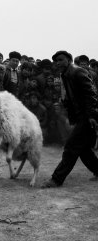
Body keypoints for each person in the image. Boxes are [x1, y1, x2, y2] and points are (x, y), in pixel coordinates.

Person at [42, 50, 98, 188]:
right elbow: (73, 96)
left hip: (87, 116)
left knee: (71, 146)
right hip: (81, 116)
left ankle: (56, 179)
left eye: (61, 60)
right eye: (56, 61)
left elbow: (91, 94)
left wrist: (91, 115)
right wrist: (65, 103)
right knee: (83, 149)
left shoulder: (77, 72)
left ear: (69, 60)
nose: (58, 63)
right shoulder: (65, 74)